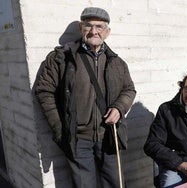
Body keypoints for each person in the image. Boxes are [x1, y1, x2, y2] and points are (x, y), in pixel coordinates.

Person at [35, 7, 136, 188]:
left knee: (115, 183)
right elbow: (44, 91)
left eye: (99, 26)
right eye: (88, 26)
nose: (93, 31)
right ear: (81, 29)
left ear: (107, 32)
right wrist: (60, 130)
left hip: (109, 136)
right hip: (78, 139)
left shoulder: (117, 62)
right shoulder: (62, 58)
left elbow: (129, 90)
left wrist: (119, 108)